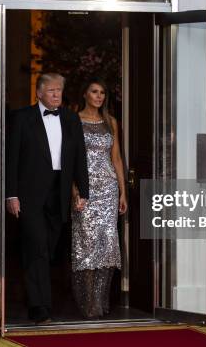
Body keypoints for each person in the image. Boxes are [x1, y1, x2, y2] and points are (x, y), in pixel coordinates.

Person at [6, 72, 89, 325]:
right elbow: (12, 159)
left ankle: (40, 300)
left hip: (59, 191)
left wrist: (83, 191)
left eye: (59, 91)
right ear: (39, 93)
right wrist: (12, 194)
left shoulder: (71, 118)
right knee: (37, 247)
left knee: (48, 249)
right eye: (51, 91)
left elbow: (78, 157)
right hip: (30, 193)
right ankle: (39, 306)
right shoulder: (21, 118)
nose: (56, 95)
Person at [71, 78, 127, 319]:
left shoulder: (111, 122)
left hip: (108, 189)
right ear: (85, 94)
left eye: (102, 92)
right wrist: (74, 190)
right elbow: (69, 160)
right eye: (94, 91)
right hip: (85, 189)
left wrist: (123, 192)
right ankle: (88, 303)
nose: (99, 96)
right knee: (85, 246)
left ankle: (101, 301)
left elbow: (116, 159)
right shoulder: (73, 121)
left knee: (107, 246)